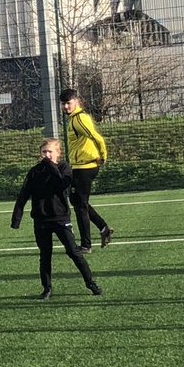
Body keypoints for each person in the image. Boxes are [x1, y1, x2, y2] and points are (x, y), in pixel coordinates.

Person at [10, 139, 102, 300]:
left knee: (73, 251)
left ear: (58, 153)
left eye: (50, 152)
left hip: (60, 218)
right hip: (41, 220)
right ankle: (47, 288)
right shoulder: (34, 171)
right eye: (44, 152)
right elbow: (24, 194)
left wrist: (50, 166)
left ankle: (90, 283)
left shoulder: (64, 168)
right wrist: (16, 218)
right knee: (45, 254)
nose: (46, 155)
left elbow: (61, 184)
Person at [59, 89, 113, 253]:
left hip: (86, 167)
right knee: (76, 201)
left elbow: (96, 137)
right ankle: (104, 228)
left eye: (69, 103)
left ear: (76, 101)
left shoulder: (80, 118)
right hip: (79, 166)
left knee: (80, 205)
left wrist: (103, 156)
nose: (66, 107)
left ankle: (86, 245)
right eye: (63, 104)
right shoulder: (73, 119)